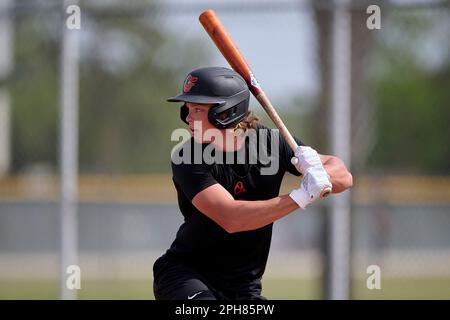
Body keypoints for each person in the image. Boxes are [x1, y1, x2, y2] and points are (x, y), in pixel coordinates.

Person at [153, 66, 352, 300]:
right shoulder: (188, 157)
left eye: (197, 109)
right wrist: (301, 196)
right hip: (187, 275)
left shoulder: (272, 143)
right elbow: (232, 218)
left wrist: (319, 172)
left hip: (244, 287)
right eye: (187, 108)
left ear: (226, 113)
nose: (187, 117)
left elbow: (344, 177)